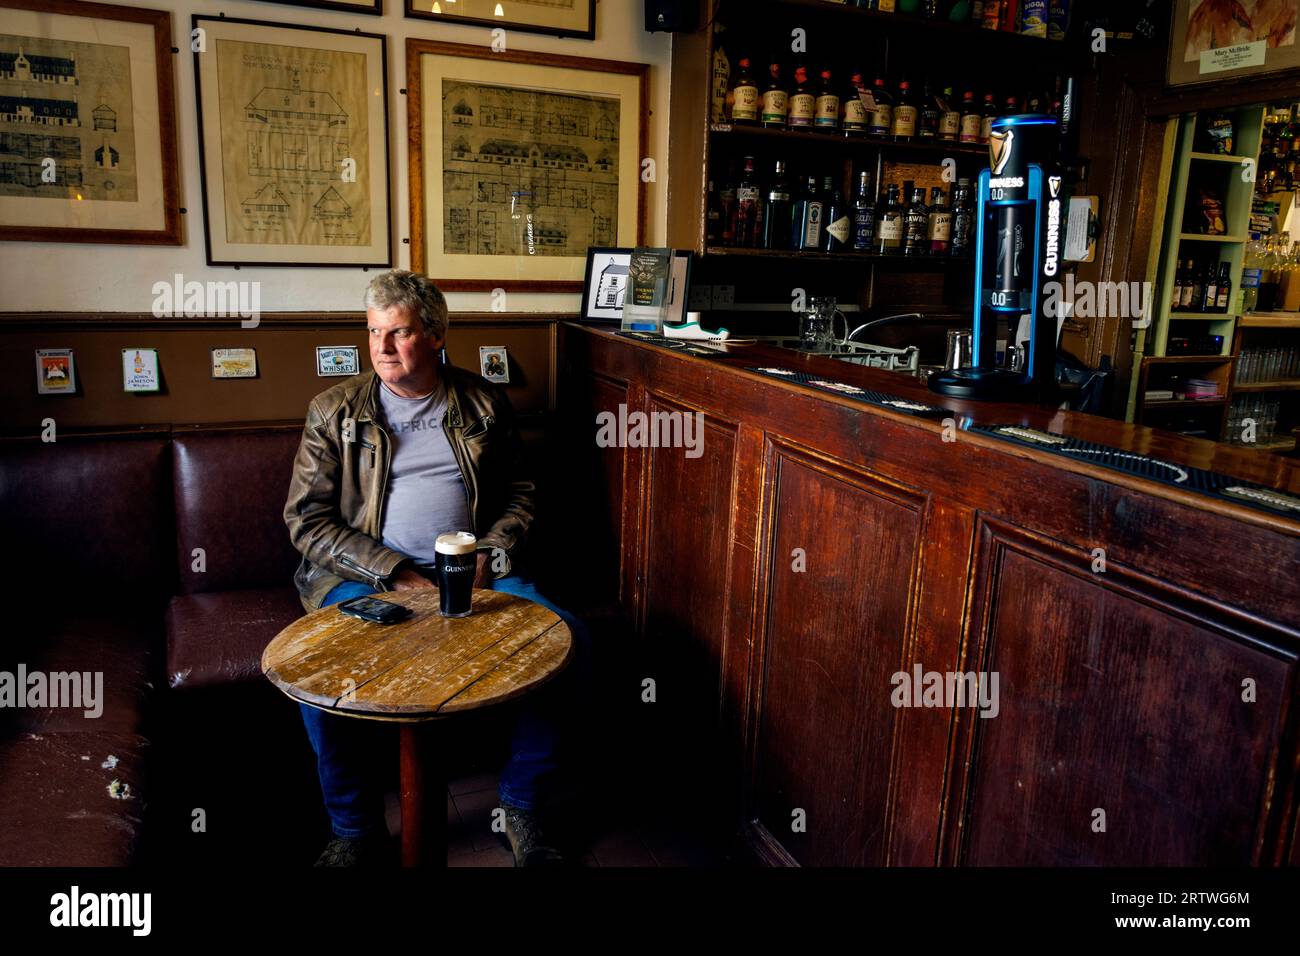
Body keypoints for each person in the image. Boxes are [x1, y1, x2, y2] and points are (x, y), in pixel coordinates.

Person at [284, 270, 589, 867]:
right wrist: (394, 571)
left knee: (568, 641)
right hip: (365, 575)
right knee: (315, 674)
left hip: (475, 571)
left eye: (397, 333)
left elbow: (522, 495)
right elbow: (306, 522)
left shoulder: (481, 402)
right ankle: (353, 830)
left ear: (437, 334)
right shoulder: (332, 412)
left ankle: (520, 804)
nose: (381, 348)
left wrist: (487, 555)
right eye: (373, 333)